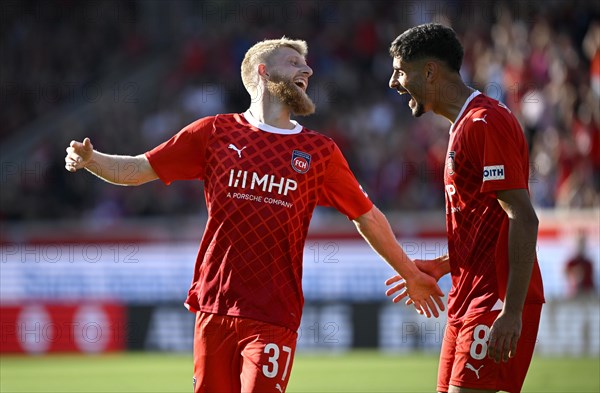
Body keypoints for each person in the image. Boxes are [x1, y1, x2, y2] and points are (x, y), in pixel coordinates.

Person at [65, 37, 444, 392]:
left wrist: (410, 273)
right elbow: (137, 169)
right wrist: (92, 160)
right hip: (213, 307)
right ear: (263, 71)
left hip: (273, 315)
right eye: (294, 62)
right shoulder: (214, 132)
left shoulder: (319, 151)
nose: (308, 71)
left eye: (308, 65)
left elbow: (368, 217)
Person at [384, 24, 545, 393]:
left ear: (429, 72)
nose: (394, 82)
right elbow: (486, 222)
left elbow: (522, 216)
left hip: (493, 300)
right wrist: (444, 265)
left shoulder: (484, 123)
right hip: (465, 296)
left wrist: (512, 310)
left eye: (399, 71)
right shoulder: (463, 126)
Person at [564, 231, 596, 299]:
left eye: (583, 244)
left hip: (588, 294)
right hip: (574, 295)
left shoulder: (588, 263)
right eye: (579, 244)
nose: (581, 247)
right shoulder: (571, 263)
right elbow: (566, 276)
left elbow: (591, 282)